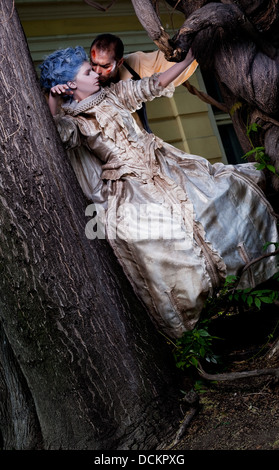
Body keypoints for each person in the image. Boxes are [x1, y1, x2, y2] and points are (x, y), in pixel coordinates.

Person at [40, 46, 278, 339]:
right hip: (130, 185)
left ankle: (253, 275)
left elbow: (156, 83)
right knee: (159, 242)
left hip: (164, 165)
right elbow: (53, 133)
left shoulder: (115, 94)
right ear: (71, 84)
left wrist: (190, 59)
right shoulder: (76, 122)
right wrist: (52, 98)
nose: (97, 73)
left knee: (218, 198)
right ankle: (198, 323)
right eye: (88, 72)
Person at [90, 33, 198, 132]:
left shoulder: (131, 72)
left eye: (105, 66)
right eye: (93, 64)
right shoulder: (82, 84)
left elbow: (157, 80)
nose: (97, 71)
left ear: (119, 63)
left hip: (139, 143)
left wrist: (189, 54)